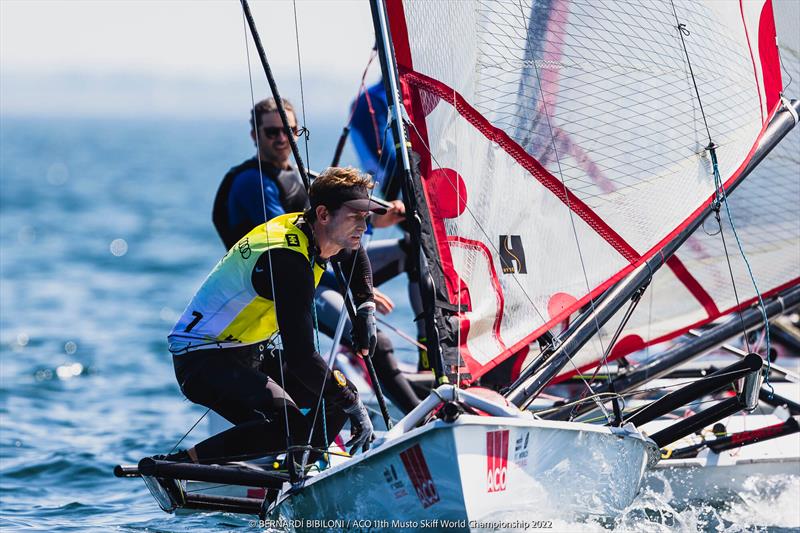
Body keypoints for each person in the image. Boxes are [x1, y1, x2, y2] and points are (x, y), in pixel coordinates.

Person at [212, 97, 422, 413]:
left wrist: (381, 218)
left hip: (324, 269)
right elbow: (291, 247)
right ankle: (418, 416)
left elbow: (332, 222)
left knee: (412, 251)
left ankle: (431, 361)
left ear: (298, 132)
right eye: (271, 132)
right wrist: (353, 289)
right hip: (295, 284)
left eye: (289, 130)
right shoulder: (252, 182)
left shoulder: (300, 174)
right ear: (255, 136)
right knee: (372, 338)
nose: (281, 138)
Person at [165, 168, 386, 467]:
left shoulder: (316, 230)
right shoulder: (288, 262)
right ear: (323, 214)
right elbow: (302, 359)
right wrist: (354, 405)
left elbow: (354, 255)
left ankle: (300, 470)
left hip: (245, 351)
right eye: (354, 216)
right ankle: (181, 465)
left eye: (366, 216)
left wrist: (365, 309)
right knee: (293, 424)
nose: (363, 224)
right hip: (202, 360)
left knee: (340, 394)